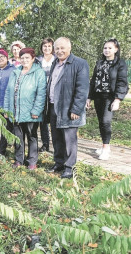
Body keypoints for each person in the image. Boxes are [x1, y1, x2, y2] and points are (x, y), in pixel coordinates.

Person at [45, 37, 89, 179]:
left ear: (69, 48)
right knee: (56, 137)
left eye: (62, 48)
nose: (59, 51)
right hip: (53, 106)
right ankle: (59, 163)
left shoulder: (80, 64)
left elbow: (82, 89)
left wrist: (76, 109)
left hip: (69, 109)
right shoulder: (54, 64)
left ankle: (69, 167)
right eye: (57, 48)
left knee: (69, 140)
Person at [4, 48, 46, 169]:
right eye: (22, 58)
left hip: (31, 111)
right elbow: (8, 91)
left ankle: (32, 161)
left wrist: (36, 111)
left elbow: (41, 93)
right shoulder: (15, 72)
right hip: (15, 111)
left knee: (31, 136)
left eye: (27, 57)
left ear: (33, 59)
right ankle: (19, 160)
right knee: (18, 137)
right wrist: (7, 110)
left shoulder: (39, 72)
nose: (24, 60)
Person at [86, 39, 128, 160]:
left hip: (110, 97)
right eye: (105, 48)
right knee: (101, 122)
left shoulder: (120, 63)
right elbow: (93, 81)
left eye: (110, 48)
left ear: (116, 49)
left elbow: (122, 82)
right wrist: (89, 97)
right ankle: (105, 145)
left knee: (106, 121)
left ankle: (105, 149)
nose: (107, 50)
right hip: (98, 96)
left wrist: (118, 99)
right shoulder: (99, 63)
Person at [36, 38, 56, 152]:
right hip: (41, 92)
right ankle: (45, 143)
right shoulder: (38, 60)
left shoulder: (57, 59)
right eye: (45, 46)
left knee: (53, 120)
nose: (47, 48)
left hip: (54, 92)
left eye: (49, 46)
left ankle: (56, 144)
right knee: (42, 120)